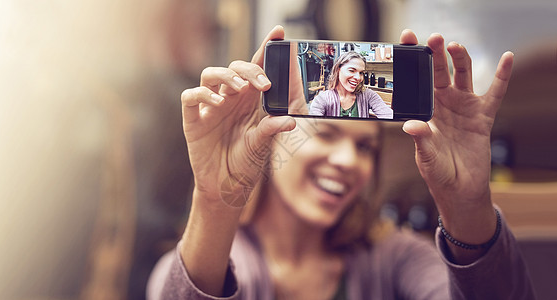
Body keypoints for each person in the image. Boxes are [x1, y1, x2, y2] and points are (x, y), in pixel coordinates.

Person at [146, 26, 535, 299]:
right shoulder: (207, 262)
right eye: (326, 134)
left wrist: (468, 206)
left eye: (365, 148)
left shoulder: (396, 259)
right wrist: (215, 200)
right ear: (271, 133)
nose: (349, 161)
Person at [309, 51, 393, 119]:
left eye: (361, 73)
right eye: (352, 70)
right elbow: (313, 127)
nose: (358, 77)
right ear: (338, 70)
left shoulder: (368, 95)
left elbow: (389, 115)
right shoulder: (322, 99)